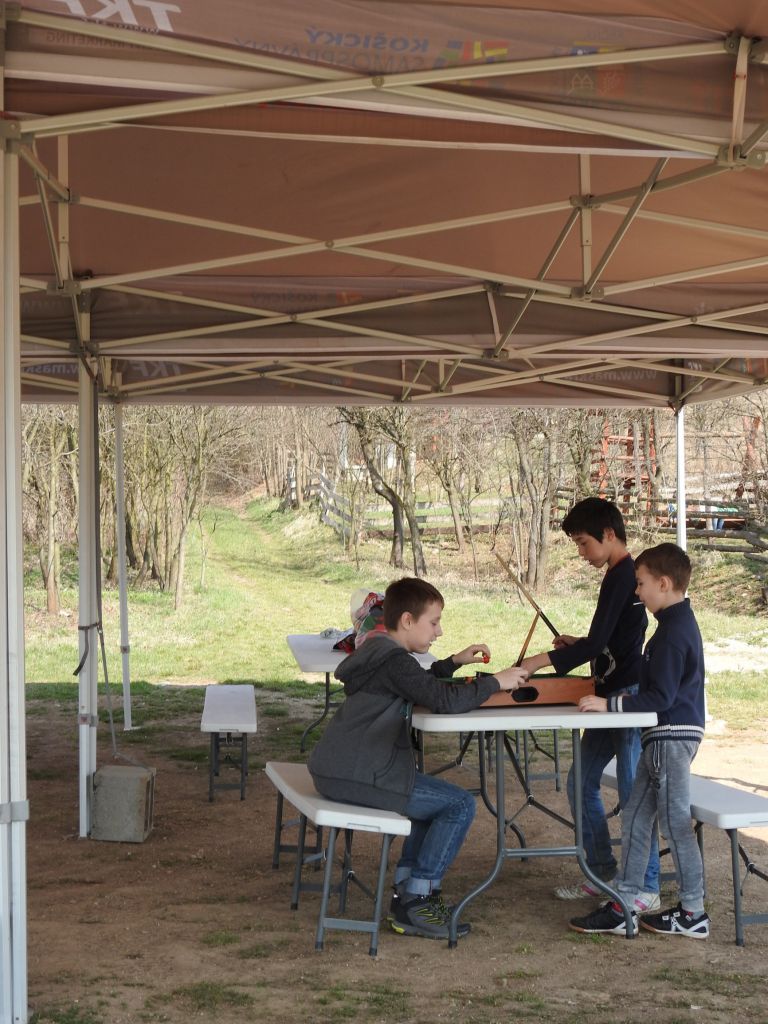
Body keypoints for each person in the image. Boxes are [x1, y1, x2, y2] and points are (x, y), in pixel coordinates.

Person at [308, 576, 528, 940]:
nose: (439, 631)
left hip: (341, 768)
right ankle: (417, 900)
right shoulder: (394, 661)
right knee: (458, 805)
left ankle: (408, 896)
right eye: (434, 622)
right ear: (408, 620)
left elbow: (419, 681)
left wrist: (453, 662)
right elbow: (442, 701)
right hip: (357, 774)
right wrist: (495, 682)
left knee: (436, 806)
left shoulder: (380, 651)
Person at [519, 497, 660, 910]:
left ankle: (647, 886)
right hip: (604, 694)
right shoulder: (617, 574)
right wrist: (577, 643)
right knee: (581, 783)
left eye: (584, 543)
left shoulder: (626, 575)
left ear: (609, 534)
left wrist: (539, 661)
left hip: (626, 696)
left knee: (634, 794)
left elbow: (602, 643)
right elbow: (610, 637)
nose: (581, 553)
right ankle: (602, 873)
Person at [569, 542, 709, 939]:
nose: (637, 591)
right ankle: (625, 902)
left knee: (675, 824)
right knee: (635, 817)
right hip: (661, 737)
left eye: (641, 583)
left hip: (671, 737)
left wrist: (609, 704)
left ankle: (693, 911)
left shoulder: (673, 633)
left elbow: (660, 698)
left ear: (663, 584)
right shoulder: (671, 626)